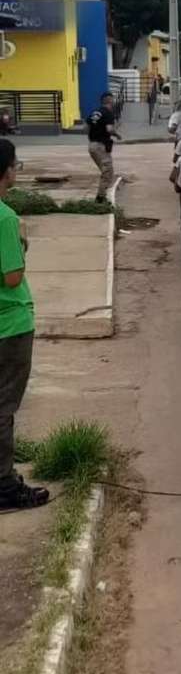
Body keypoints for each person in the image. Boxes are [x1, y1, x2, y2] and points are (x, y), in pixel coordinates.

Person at [0, 139, 49, 511]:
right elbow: (13, 276)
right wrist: (22, 242)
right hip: (10, 325)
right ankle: (4, 485)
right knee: (4, 407)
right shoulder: (5, 218)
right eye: (15, 164)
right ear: (7, 171)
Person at [87, 92, 122, 203]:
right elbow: (109, 129)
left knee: (105, 171)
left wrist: (93, 136)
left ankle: (101, 196)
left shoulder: (94, 113)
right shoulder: (108, 113)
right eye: (112, 100)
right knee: (108, 172)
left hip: (92, 145)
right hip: (101, 146)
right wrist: (117, 134)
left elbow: (86, 127)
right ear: (110, 100)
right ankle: (100, 199)